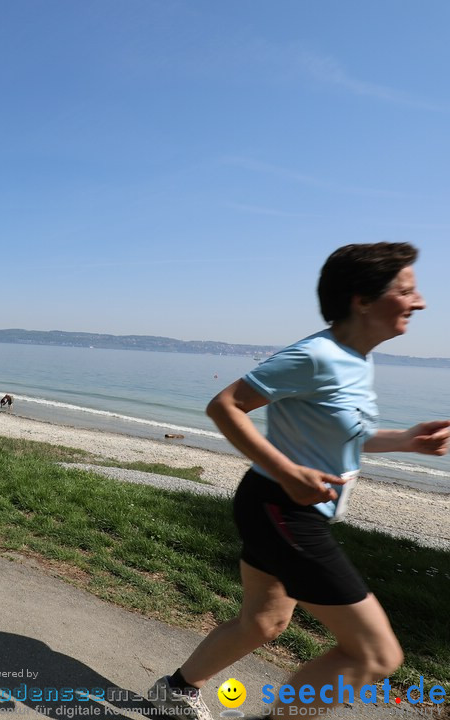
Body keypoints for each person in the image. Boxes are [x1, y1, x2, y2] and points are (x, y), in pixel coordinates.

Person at [148, 243, 450, 720]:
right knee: (375, 655)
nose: (421, 302)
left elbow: (344, 436)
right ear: (362, 300)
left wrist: (406, 440)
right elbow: (224, 405)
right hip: (282, 510)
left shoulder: (356, 358)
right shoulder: (317, 356)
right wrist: (289, 473)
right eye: (407, 290)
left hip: (277, 507)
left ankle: (175, 691)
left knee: (264, 621)